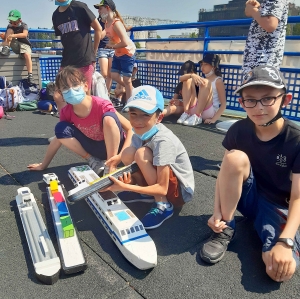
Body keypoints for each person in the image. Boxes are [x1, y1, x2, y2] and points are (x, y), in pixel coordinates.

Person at [200, 65, 300, 282]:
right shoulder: (239, 130)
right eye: (250, 100)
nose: (258, 107)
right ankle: (225, 229)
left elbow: (298, 197)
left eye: (267, 99)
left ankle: (273, 235)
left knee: (277, 270)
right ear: (241, 102)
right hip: (247, 198)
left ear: (285, 99)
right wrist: (217, 212)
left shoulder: (296, 139)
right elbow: (225, 172)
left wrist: (286, 241)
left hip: (277, 205)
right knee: (235, 158)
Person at [104, 85, 195, 230]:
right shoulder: (140, 131)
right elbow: (128, 155)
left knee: (141, 153)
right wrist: (119, 158)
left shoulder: (163, 140)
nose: (138, 121)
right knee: (128, 152)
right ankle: (146, 194)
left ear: (159, 117)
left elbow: (163, 188)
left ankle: (163, 204)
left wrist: (126, 187)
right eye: (133, 114)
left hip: (180, 192)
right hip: (162, 180)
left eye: (145, 114)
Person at [27, 66, 133, 174]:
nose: (71, 91)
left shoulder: (102, 105)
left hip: (117, 147)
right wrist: (43, 165)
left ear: (86, 86)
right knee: (60, 128)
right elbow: (59, 137)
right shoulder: (67, 112)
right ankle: (93, 160)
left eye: (75, 85)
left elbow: (130, 129)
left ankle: (110, 166)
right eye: (65, 88)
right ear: (61, 94)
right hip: (96, 150)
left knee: (109, 120)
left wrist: (120, 156)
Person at [45, 0, 102, 111]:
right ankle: (67, 123)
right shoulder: (56, 15)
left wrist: (93, 54)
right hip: (67, 61)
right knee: (59, 95)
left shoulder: (80, 7)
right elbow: (65, 38)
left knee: (84, 96)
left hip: (84, 60)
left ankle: (86, 128)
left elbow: (98, 29)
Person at [242, 0, 289, 74]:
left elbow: (270, 24)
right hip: (259, 67)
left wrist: (253, 12)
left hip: (263, 68)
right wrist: (259, 9)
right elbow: (269, 18)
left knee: (257, 92)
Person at [164, 55, 226, 126]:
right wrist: (192, 75)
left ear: (213, 67)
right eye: (202, 64)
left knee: (205, 82)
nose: (202, 66)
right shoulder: (200, 78)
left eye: (206, 64)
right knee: (188, 80)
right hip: (196, 108)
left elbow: (223, 104)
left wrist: (213, 120)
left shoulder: (218, 81)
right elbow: (181, 78)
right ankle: (186, 113)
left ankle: (197, 116)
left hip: (208, 111)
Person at [94, 0, 136, 102]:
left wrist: (111, 47)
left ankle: (130, 101)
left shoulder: (116, 23)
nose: (98, 11)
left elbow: (125, 42)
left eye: (100, 8)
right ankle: (131, 88)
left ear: (107, 8)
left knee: (126, 79)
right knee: (114, 75)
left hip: (127, 53)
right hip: (118, 53)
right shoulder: (107, 23)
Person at [0, 10, 34, 85]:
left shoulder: (24, 25)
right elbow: (8, 37)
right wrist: (3, 37)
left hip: (24, 44)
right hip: (15, 45)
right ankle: (6, 48)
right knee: (9, 30)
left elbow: (24, 34)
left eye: (14, 22)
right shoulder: (10, 26)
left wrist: (13, 35)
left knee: (27, 55)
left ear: (20, 20)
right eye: (11, 22)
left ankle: (30, 75)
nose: (13, 24)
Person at [95, 14, 114, 92]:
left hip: (112, 48)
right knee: (104, 74)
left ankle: (107, 93)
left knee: (110, 74)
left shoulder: (113, 22)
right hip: (102, 49)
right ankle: (100, 91)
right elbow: (100, 37)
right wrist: (107, 27)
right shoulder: (99, 23)